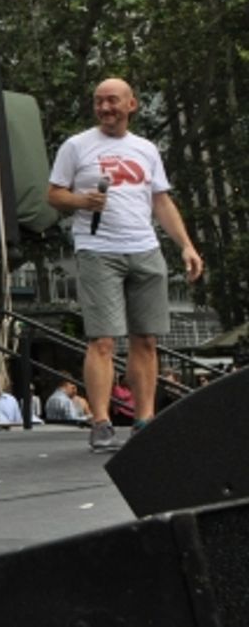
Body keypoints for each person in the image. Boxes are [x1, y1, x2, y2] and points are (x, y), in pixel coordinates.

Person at [48, 78, 203, 452]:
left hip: (145, 248)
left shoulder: (146, 149)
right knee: (102, 339)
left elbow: (161, 201)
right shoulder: (76, 146)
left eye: (112, 101)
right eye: (99, 101)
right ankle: (101, 422)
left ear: (131, 104)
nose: (105, 108)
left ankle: (144, 419)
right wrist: (82, 202)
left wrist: (185, 245)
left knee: (146, 339)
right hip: (98, 249)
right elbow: (53, 194)